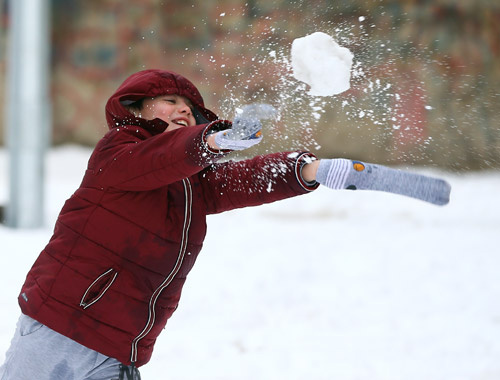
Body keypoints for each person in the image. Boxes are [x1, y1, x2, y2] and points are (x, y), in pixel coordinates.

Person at [0, 69, 450, 380]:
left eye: (191, 110)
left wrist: (308, 170)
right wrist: (214, 139)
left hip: (122, 341)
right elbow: (163, 157)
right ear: (137, 109)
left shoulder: (192, 183)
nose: (182, 111)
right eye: (170, 102)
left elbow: (240, 180)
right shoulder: (118, 154)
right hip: (62, 321)